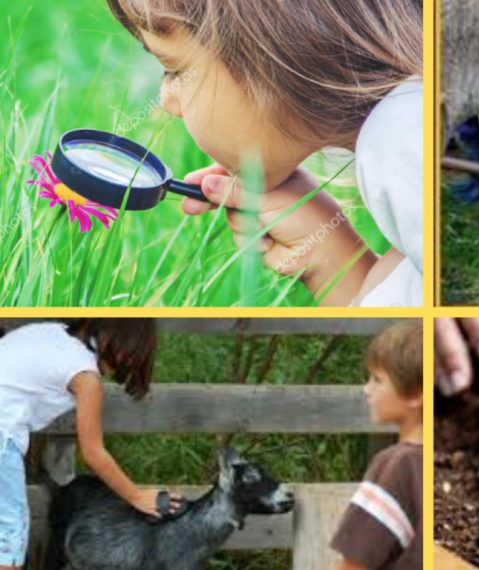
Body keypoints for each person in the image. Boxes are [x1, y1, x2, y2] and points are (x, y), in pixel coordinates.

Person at [107, 0, 422, 307]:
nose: (166, 101)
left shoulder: (403, 138)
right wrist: (327, 260)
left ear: (266, 45)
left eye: (173, 69)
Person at [0, 319, 181, 570]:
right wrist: (136, 495)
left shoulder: (53, 335)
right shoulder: (86, 377)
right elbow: (93, 453)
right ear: (125, 349)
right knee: (9, 532)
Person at [331, 321, 422, 569]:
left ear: (416, 394)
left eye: (377, 379)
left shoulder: (396, 465)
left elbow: (355, 565)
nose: (366, 389)